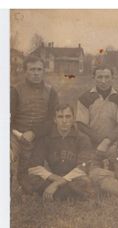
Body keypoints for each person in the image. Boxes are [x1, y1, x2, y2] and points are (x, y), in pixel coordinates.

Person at [22, 104, 94, 201]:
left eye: (68, 117)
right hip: (53, 177)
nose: (64, 121)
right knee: (28, 179)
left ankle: (51, 195)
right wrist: (55, 179)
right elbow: (34, 167)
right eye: (60, 117)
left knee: (85, 182)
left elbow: (83, 167)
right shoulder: (46, 139)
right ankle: (67, 196)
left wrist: (57, 184)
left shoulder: (82, 138)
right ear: (55, 120)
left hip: (73, 178)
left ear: (73, 119)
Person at [11, 55, 59, 186]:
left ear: (44, 71)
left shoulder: (51, 92)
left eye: (39, 69)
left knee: (30, 181)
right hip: (14, 135)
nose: (36, 73)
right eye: (32, 69)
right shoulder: (15, 90)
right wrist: (18, 135)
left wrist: (34, 133)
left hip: (39, 137)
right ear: (25, 71)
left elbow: (52, 120)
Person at [76, 65, 118, 163]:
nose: (103, 81)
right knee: (90, 169)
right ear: (93, 78)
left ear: (113, 78)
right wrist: (100, 140)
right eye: (100, 77)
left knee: (116, 169)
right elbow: (81, 125)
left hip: (114, 144)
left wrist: (107, 141)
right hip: (91, 144)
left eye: (107, 77)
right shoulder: (84, 98)